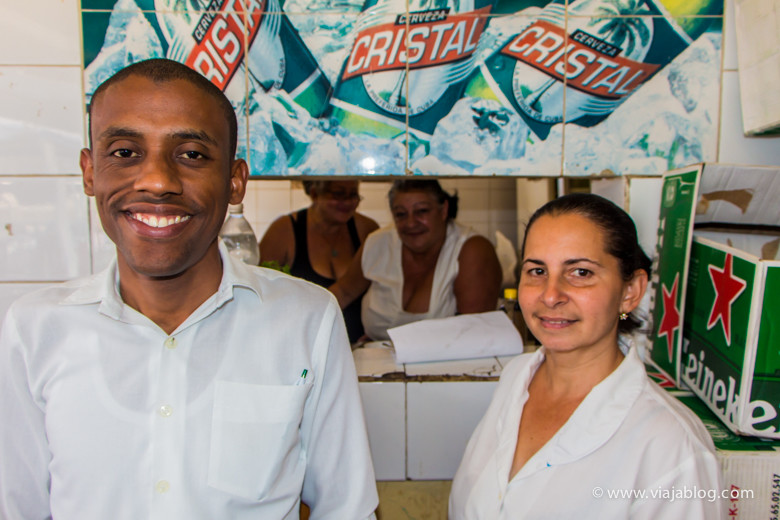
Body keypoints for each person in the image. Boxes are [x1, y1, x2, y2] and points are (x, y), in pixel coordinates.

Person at [0, 59, 378, 520]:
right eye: (124, 152)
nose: (158, 181)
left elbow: (346, 508)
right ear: (89, 171)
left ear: (235, 180)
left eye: (192, 155)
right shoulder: (35, 328)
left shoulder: (306, 318)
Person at [450, 193, 723, 519]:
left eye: (580, 272)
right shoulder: (516, 377)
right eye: (537, 271)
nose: (551, 296)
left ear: (630, 291)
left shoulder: (673, 447)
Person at [330, 179, 502, 341]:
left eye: (421, 211)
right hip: (378, 363)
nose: (410, 223)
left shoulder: (472, 250)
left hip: (448, 367)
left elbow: (474, 334)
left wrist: (400, 347)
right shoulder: (378, 243)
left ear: (443, 210)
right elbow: (343, 293)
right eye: (401, 214)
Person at [259, 180, 378, 343]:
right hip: (305, 342)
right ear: (315, 193)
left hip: (359, 344)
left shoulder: (367, 229)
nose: (348, 202)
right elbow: (262, 295)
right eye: (338, 194)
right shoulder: (283, 230)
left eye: (353, 195)